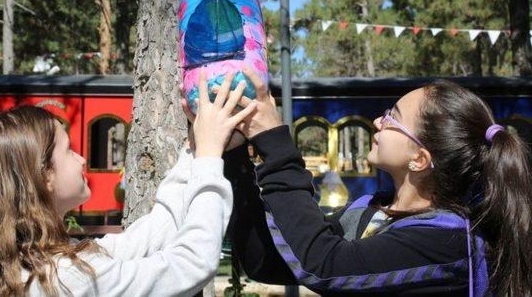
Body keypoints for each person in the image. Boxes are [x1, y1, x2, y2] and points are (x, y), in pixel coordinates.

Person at [213, 69, 532, 296]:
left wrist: (275, 143)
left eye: (392, 117)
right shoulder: (369, 212)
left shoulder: (446, 244)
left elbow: (323, 265)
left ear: (419, 159)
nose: (379, 122)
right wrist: (236, 155)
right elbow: (270, 264)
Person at [0, 72, 256, 297]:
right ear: (43, 176)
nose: (81, 158)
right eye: (68, 150)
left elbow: (151, 233)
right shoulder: (68, 277)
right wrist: (209, 158)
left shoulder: (36, 265)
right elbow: (192, 265)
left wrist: (194, 146)